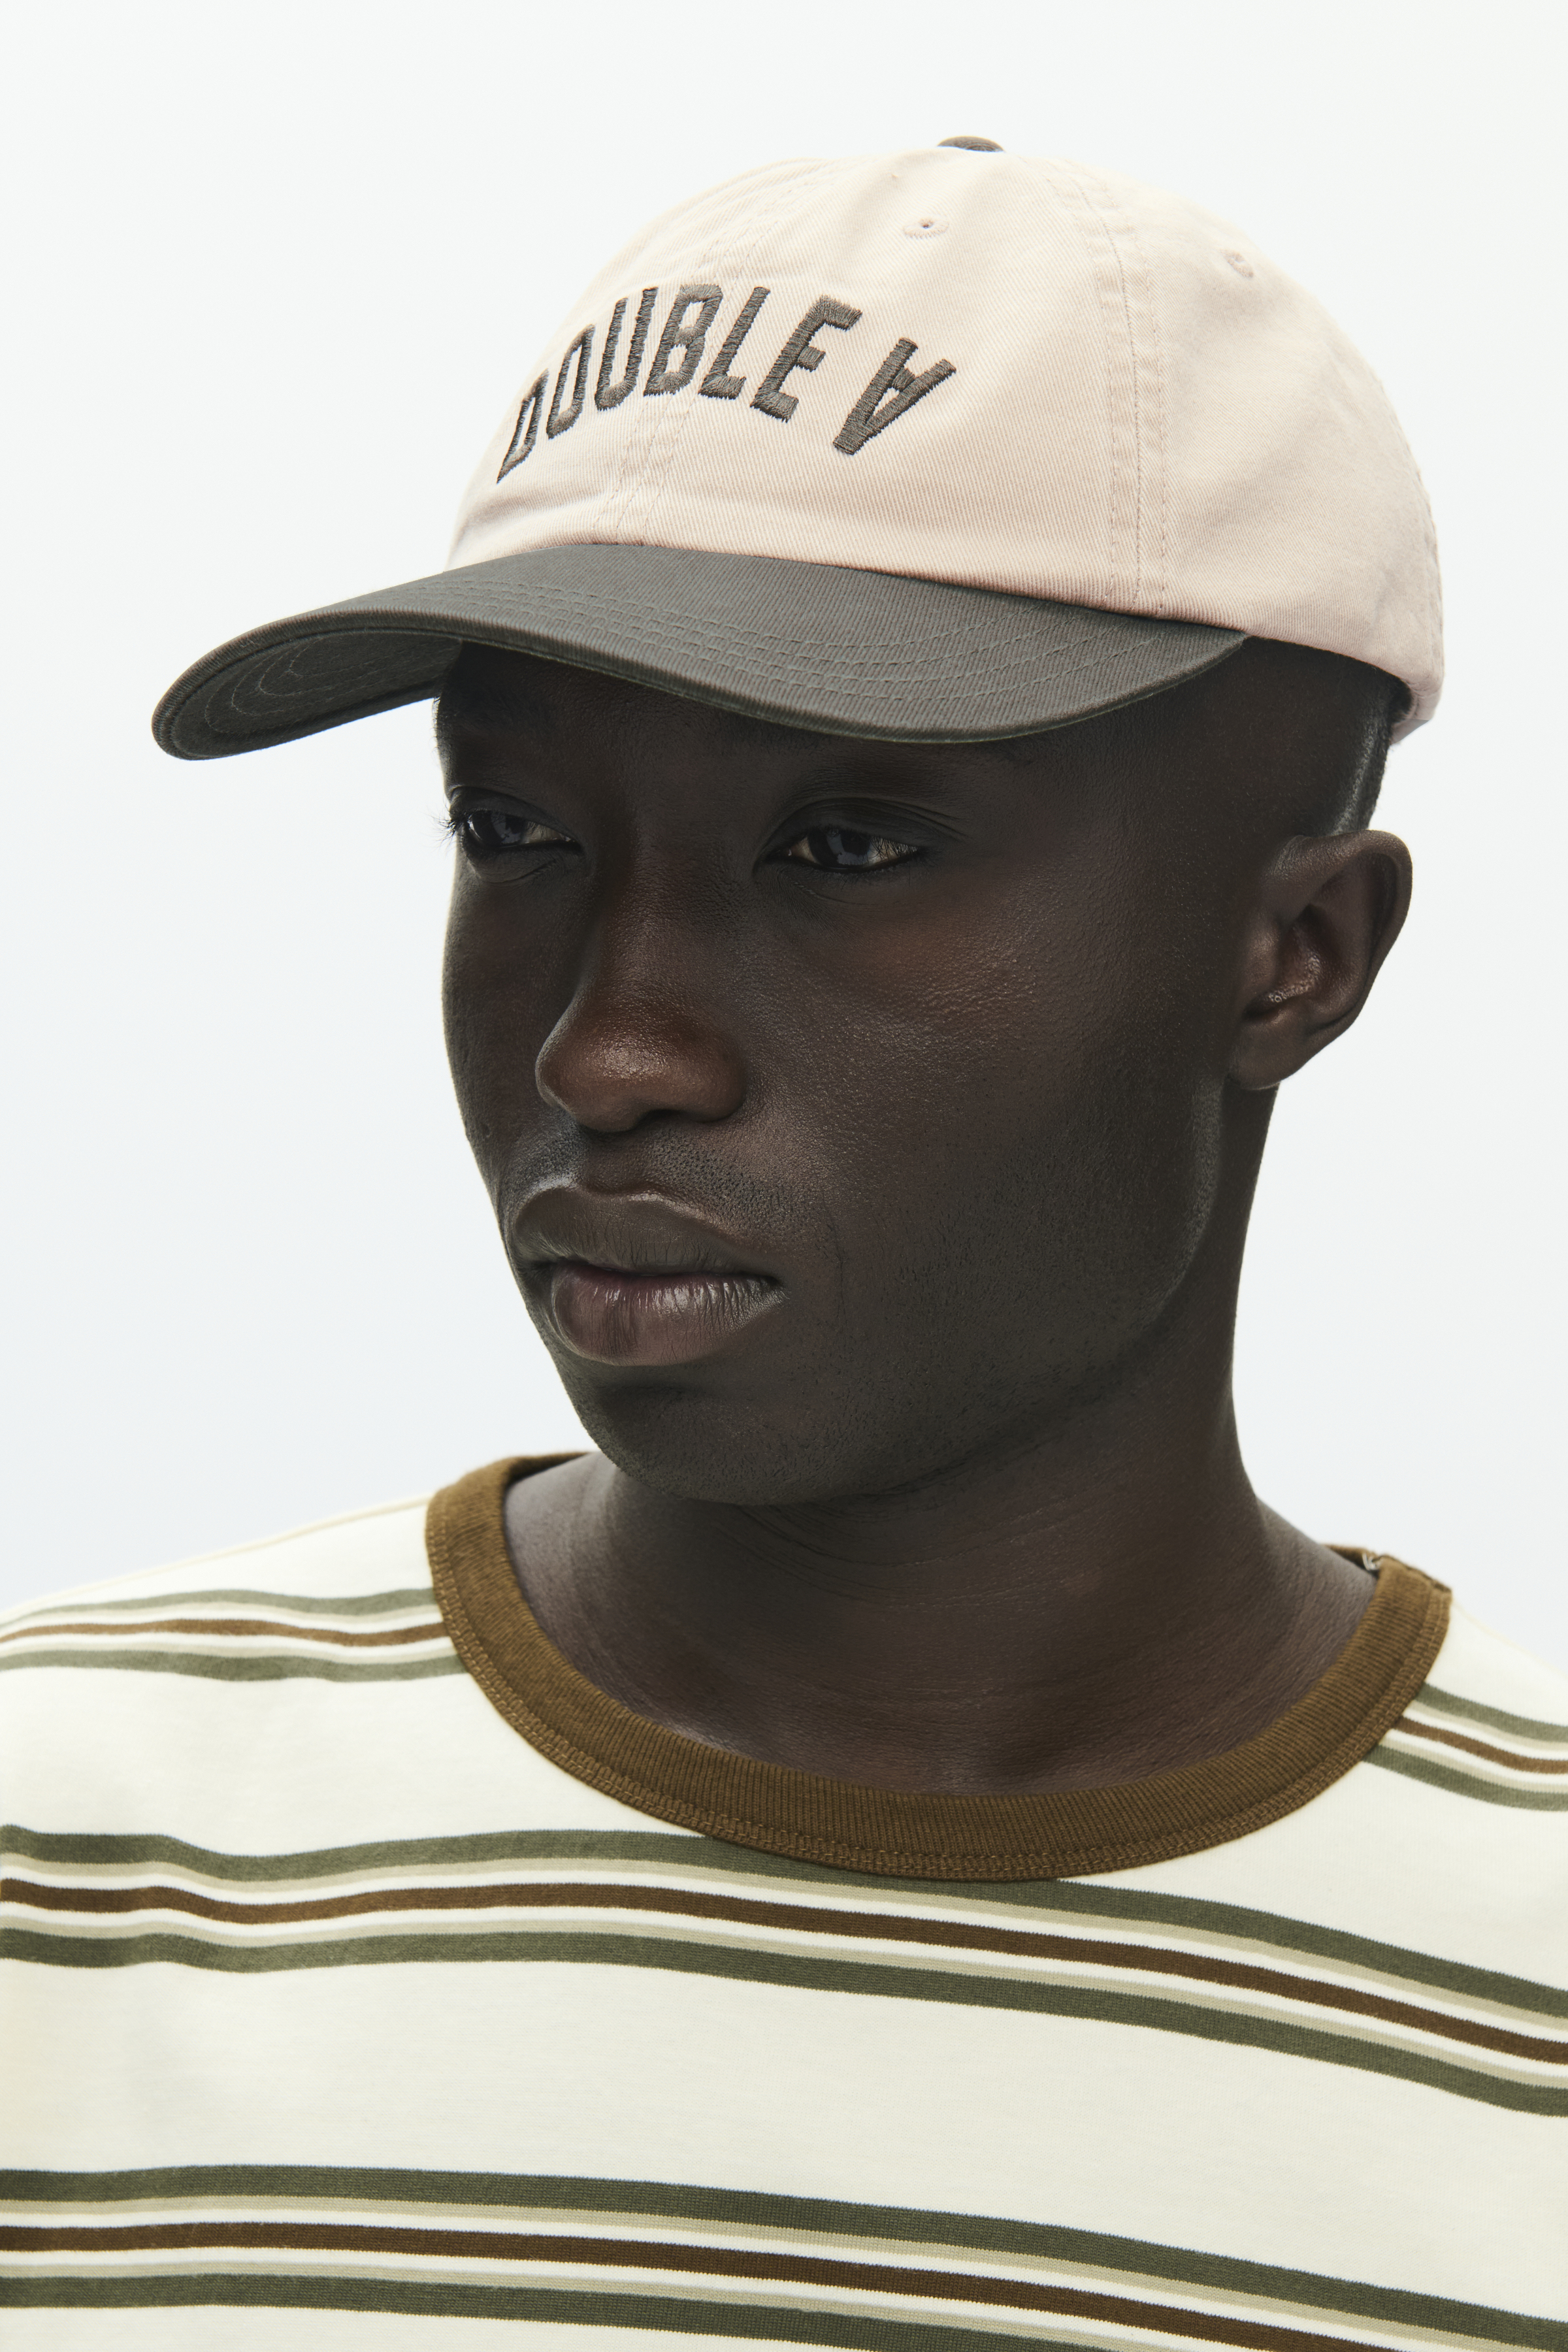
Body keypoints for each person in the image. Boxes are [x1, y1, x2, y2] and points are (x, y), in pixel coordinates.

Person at [3, 139, 1563, 2345]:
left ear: (1297, 954)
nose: (610, 1046)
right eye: (515, 830)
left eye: (846, 845)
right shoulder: (56, 1861)